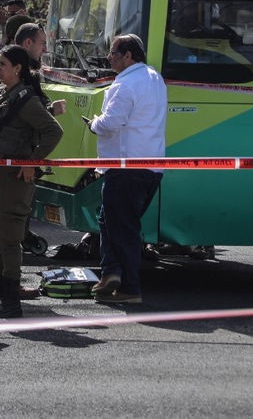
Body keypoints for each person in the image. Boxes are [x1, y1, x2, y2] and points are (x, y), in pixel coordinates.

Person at [0, 23, 61, 298]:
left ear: (18, 68)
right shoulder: (2, 92)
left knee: (8, 238)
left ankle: (9, 296)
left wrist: (32, 161)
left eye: (4, 64)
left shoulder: (26, 98)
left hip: (14, 176)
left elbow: (53, 131)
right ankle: (0, 291)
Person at [84, 33, 167, 305]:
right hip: (151, 166)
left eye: (114, 53)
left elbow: (112, 122)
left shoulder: (125, 85)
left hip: (124, 167)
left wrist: (94, 123)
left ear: (128, 56)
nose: (109, 57)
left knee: (123, 228)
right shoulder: (155, 79)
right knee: (110, 221)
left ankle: (129, 286)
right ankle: (111, 274)